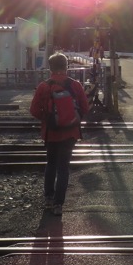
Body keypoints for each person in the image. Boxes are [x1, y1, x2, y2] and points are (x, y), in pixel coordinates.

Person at [29, 53, 90, 216]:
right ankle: (58, 205)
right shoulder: (75, 85)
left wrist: (49, 119)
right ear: (66, 66)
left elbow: (34, 110)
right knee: (63, 168)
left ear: (50, 68)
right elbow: (85, 108)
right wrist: (72, 118)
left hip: (51, 133)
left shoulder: (44, 86)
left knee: (51, 164)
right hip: (70, 134)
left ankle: (48, 198)